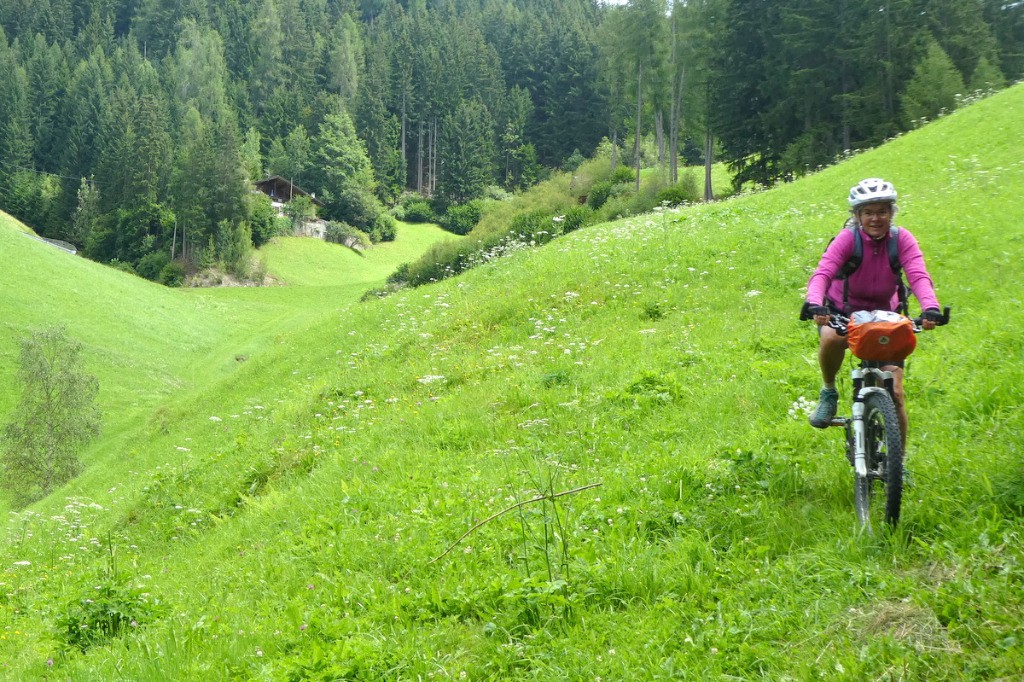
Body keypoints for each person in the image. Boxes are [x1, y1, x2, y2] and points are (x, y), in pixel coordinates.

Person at [805, 178, 943, 450]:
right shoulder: (848, 239)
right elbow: (823, 272)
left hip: (885, 315)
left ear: (892, 213)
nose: (875, 218)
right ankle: (829, 391)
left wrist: (930, 307)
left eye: (882, 211)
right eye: (868, 212)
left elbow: (918, 275)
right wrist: (814, 303)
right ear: (857, 216)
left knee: (897, 394)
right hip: (842, 310)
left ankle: (898, 465)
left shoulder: (902, 239)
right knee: (832, 339)